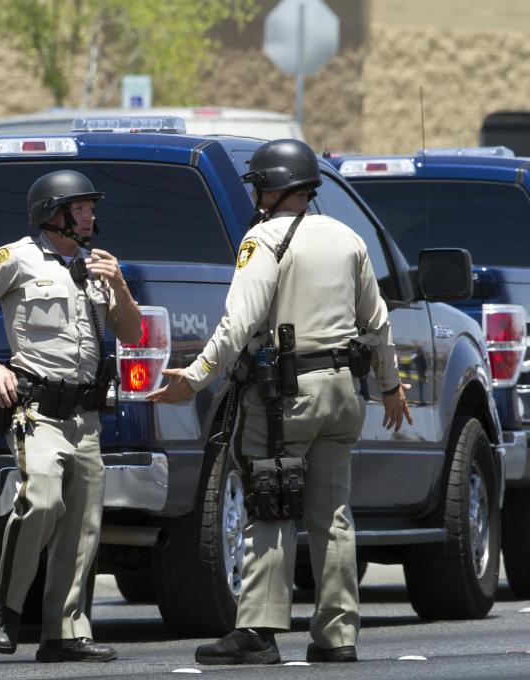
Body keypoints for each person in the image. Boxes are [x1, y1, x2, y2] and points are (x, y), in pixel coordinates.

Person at [147, 139, 412, 665]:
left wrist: (194, 379)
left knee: (269, 503)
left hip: (286, 397)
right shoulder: (346, 237)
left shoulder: (264, 239)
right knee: (332, 514)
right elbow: (377, 322)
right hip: (343, 393)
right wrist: (390, 385)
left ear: (271, 188)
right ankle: (338, 635)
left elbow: (239, 323)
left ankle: (259, 631)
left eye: (260, 186)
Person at [0, 169, 142, 663]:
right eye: (81, 208)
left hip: (87, 416)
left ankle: (64, 633)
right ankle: (7, 610)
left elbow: (132, 331)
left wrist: (118, 283)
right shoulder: (19, 257)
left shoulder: (98, 266)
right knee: (41, 499)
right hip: (37, 411)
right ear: (54, 214)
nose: (91, 215)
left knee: (83, 527)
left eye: (91, 208)